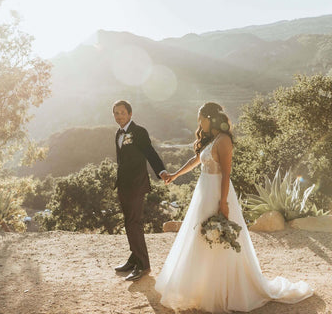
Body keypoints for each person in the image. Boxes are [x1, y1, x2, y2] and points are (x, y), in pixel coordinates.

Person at [155, 102, 313, 312]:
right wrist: (175, 175)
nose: (198, 122)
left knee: (220, 240)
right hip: (203, 194)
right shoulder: (210, 140)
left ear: (209, 118)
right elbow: (196, 161)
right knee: (200, 238)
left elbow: (226, 174)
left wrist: (223, 203)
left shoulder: (224, 141)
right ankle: (201, 287)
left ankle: (224, 291)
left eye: (200, 117)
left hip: (217, 193)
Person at [112, 100, 169, 281]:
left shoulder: (139, 132)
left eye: (122, 112)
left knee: (134, 223)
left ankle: (143, 265)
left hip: (136, 184)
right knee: (129, 222)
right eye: (116, 113)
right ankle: (134, 258)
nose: (119, 116)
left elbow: (150, 152)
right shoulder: (118, 134)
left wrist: (161, 171)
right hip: (123, 185)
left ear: (130, 114)